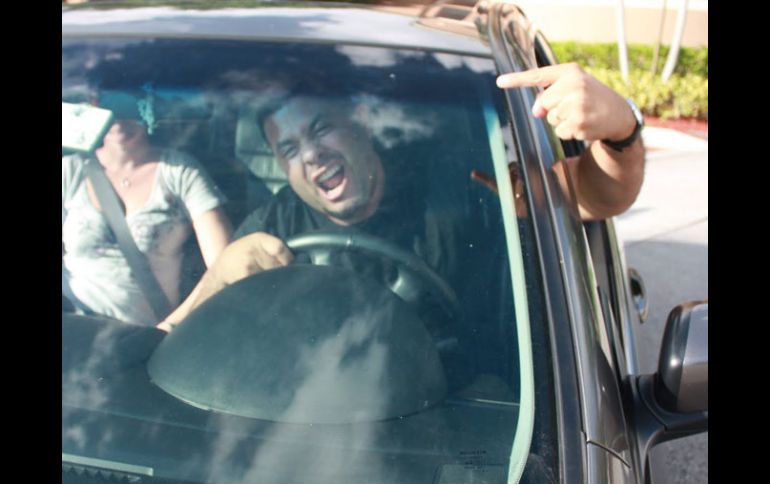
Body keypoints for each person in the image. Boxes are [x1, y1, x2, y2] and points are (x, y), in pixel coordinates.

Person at [157, 64, 645, 331]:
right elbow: (174, 333)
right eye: (289, 149)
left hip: (471, 417)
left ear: (361, 121)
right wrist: (220, 277)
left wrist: (621, 128)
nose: (310, 156)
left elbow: (596, 196)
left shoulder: (459, 189)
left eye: (321, 128)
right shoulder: (272, 224)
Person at [63, 109, 233, 326]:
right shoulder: (69, 171)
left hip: (144, 337)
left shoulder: (179, 171)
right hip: (73, 331)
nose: (119, 119)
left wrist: (172, 326)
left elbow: (225, 264)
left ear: (150, 107)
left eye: (129, 106)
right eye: (109, 106)